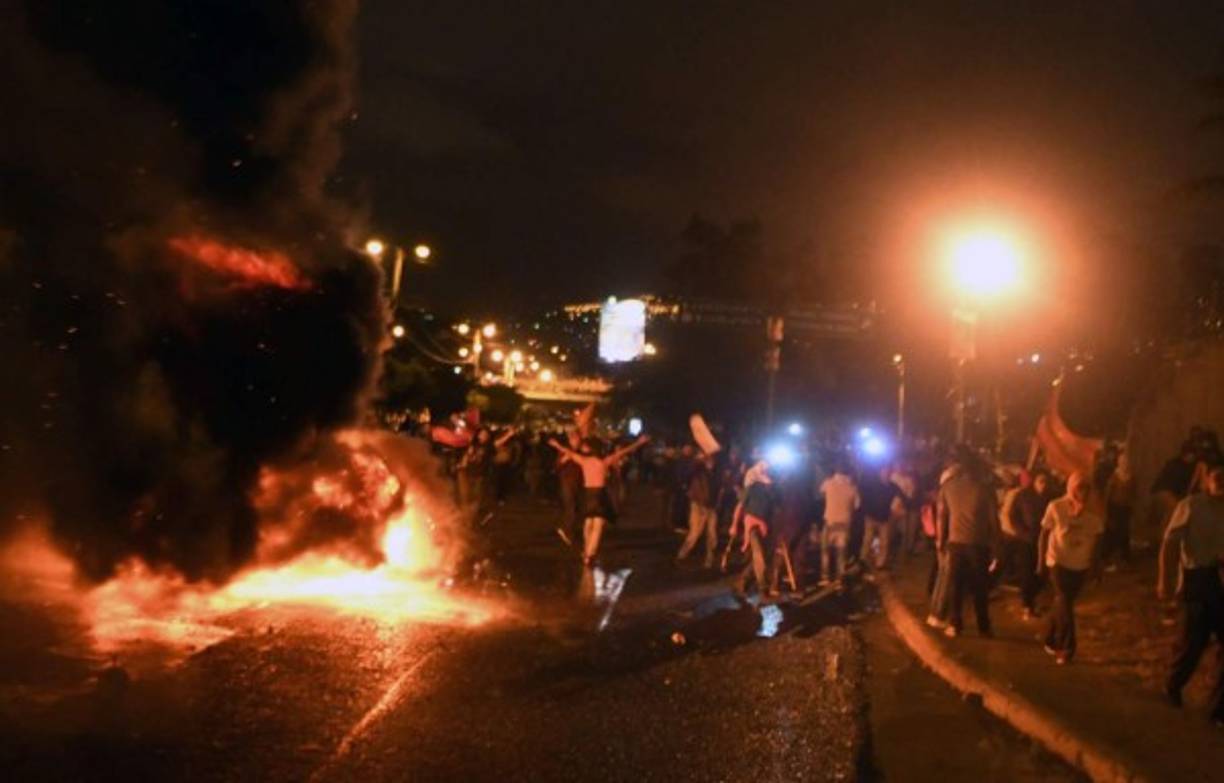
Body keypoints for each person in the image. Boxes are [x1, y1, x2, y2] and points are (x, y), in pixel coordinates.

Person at [1156, 464, 1224, 724]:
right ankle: (1172, 684)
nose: (1221, 482)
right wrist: (1165, 581)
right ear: (1207, 481)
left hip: (1220, 578)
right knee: (1193, 641)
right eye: (1216, 478)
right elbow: (1171, 543)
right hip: (1197, 578)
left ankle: (1217, 708)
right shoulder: (1192, 506)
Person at [548, 434, 651, 567]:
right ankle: (590, 554)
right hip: (600, 494)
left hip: (587, 494)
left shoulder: (584, 461)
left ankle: (586, 550)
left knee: (588, 524)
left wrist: (557, 445)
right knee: (598, 526)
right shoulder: (604, 462)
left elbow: (569, 453)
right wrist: (638, 443)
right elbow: (622, 452)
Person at [1037, 472, 1104, 665]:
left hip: (1080, 565)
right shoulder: (1056, 507)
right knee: (1065, 602)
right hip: (1057, 562)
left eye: (1086, 489)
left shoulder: (1094, 513)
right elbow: (1044, 534)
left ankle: (1049, 637)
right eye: (1079, 488)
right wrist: (1040, 561)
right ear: (1071, 488)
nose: (1083, 493)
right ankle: (1067, 648)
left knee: (1062, 603)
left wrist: (1096, 567)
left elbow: (1098, 541)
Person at [937, 446, 999, 639]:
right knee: (980, 587)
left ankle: (955, 624)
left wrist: (940, 542)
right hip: (979, 544)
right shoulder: (985, 489)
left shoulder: (948, 487)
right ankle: (984, 627)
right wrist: (997, 548)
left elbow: (942, 517)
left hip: (955, 542)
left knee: (955, 585)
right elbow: (994, 521)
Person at [1000, 471, 1051, 619]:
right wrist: (1023, 533)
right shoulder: (1023, 496)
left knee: (1042, 573)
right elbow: (1012, 516)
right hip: (1026, 542)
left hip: (1044, 541)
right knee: (1027, 572)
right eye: (1041, 481)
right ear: (1034, 481)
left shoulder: (1050, 497)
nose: (1043, 485)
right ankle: (1027, 605)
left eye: (1046, 482)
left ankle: (1032, 598)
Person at [730, 461, 779, 599]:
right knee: (759, 556)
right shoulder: (752, 488)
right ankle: (763, 587)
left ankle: (743, 581)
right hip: (752, 526)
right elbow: (740, 507)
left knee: (762, 557)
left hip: (765, 526)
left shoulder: (772, 491)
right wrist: (734, 525)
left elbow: (775, 509)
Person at [820, 461, 860, 587]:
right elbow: (857, 505)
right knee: (841, 554)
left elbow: (820, 492)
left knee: (826, 552)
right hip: (844, 523)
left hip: (830, 522)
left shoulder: (828, 483)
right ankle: (839, 578)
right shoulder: (852, 487)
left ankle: (825, 577)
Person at [676, 451, 718, 568]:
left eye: (712, 459)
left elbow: (719, 487)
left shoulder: (716, 473)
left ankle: (710, 559)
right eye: (708, 459)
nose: (710, 462)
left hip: (711, 506)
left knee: (712, 534)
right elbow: (686, 474)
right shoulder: (698, 470)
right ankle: (682, 555)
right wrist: (697, 461)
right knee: (695, 532)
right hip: (698, 504)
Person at [859, 465, 903, 573]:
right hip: (871, 516)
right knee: (868, 539)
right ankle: (863, 559)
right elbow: (864, 495)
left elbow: (901, 495)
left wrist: (899, 503)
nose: (885, 474)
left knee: (884, 542)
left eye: (887, 473)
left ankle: (880, 563)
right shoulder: (873, 484)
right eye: (884, 472)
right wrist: (865, 510)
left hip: (884, 518)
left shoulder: (893, 486)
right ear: (880, 473)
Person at [1102, 451, 1136, 569]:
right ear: (1119, 462)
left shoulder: (1131, 477)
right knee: (1113, 532)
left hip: (1125, 509)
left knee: (1124, 532)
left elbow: (1133, 493)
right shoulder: (1114, 477)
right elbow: (1108, 495)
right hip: (1114, 508)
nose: (1125, 464)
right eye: (1122, 461)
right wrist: (1106, 511)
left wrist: (1132, 507)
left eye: (1126, 462)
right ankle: (1109, 558)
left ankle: (1124, 557)